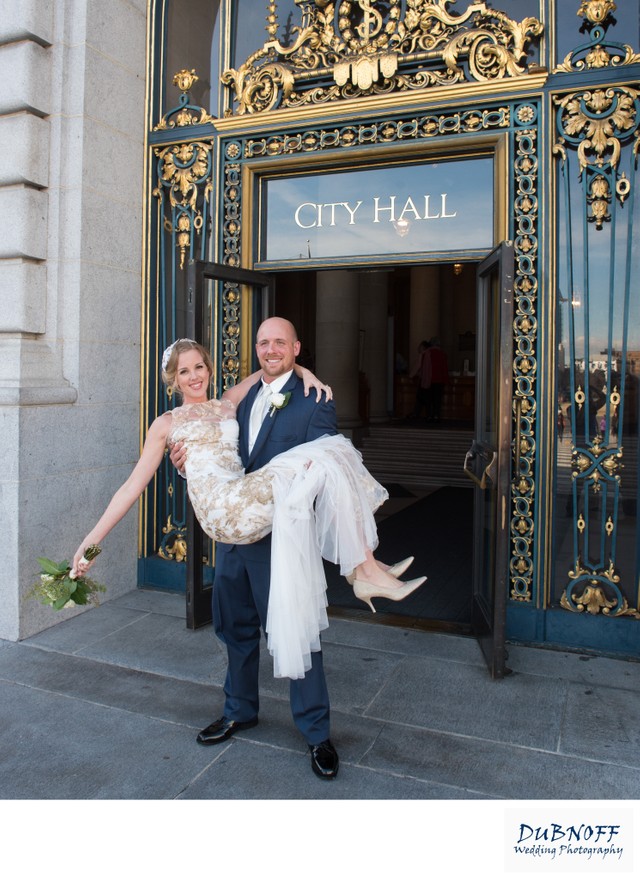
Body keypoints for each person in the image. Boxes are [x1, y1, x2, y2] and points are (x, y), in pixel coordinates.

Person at [73, 326, 425, 780]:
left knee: (328, 458)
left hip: (264, 526)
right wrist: (91, 541)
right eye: (185, 371)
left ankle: (317, 733)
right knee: (234, 629)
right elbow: (132, 485)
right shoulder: (166, 425)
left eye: (200, 366)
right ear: (173, 380)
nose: (195, 376)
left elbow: (274, 367)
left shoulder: (229, 403)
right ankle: (240, 709)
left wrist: (304, 368)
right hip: (228, 524)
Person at [423, 337, 449, 422]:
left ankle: (429, 415)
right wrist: (446, 381)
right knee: (437, 399)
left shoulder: (427, 353)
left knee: (429, 399)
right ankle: (436, 415)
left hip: (429, 380)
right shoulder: (442, 354)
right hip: (439, 380)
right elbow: (444, 368)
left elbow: (424, 368)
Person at [409, 340, 431, 419]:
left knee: (420, 397)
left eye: (420, 346)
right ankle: (424, 414)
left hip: (424, 379)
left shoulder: (423, 355)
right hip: (430, 379)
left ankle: (416, 413)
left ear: (423, 347)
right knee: (426, 398)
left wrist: (411, 375)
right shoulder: (430, 355)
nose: (418, 348)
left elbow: (417, 366)